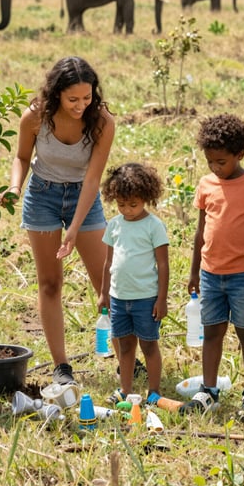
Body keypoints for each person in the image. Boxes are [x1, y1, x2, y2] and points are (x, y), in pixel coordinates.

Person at [6, 56, 115, 386]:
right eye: (73, 99)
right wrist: (14, 186)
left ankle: (126, 355)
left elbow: (94, 180)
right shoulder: (35, 116)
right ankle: (61, 366)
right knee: (50, 283)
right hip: (42, 196)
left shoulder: (102, 123)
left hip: (84, 196)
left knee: (107, 284)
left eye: (87, 97)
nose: (82, 105)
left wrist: (75, 228)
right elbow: (22, 156)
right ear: (56, 94)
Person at [181, 114, 244, 415]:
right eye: (210, 161)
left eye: (221, 161)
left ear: (240, 155)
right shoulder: (206, 184)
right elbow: (200, 231)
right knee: (212, 332)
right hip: (210, 274)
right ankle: (209, 391)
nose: (215, 168)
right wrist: (194, 271)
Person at [98, 163, 169, 404]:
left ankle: (155, 390)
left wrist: (161, 299)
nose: (127, 210)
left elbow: (163, 264)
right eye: (121, 204)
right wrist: (103, 294)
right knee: (125, 347)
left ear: (146, 198)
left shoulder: (153, 226)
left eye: (133, 204)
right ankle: (125, 390)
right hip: (119, 298)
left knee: (149, 346)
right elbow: (108, 262)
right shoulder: (114, 225)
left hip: (146, 299)